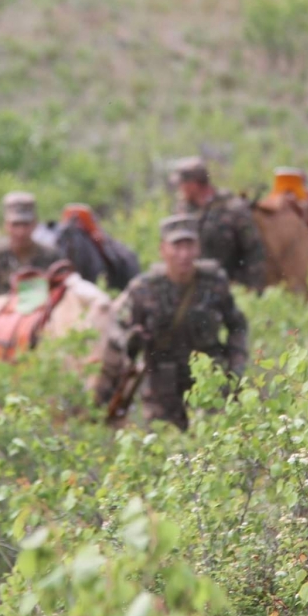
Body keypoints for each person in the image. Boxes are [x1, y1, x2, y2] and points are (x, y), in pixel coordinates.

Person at [95, 215, 249, 430]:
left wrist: (236, 367)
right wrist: (132, 341)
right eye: (176, 247)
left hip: (209, 384)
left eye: (189, 246)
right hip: (161, 390)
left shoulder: (214, 282)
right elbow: (117, 335)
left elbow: (237, 325)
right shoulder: (143, 289)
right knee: (164, 451)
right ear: (163, 250)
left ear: (198, 249)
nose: (184, 255)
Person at [171, 156, 266, 292]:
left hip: (229, 287)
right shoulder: (181, 211)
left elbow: (254, 250)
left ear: (194, 184)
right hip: (192, 290)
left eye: (182, 184)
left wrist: (252, 289)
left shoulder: (233, 208)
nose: (179, 189)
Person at [0, 191, 62, 308]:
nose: (21, 232)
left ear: (35, 224)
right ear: (6, 225)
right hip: (2, 318)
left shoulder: (51, 256)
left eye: (26, 224)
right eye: (15, 225)